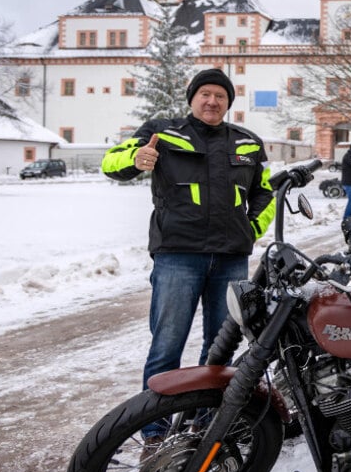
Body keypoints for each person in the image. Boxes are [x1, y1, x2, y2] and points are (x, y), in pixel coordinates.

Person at [101, 68, 275, 442]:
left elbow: (266, 192)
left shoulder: (247, 142)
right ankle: (154, 430)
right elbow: (110, 163)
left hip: (231, 258)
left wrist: (250, 229)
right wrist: (136, 161)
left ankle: (204, 421)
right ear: (193, 98)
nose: (212, 101)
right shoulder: (161, 133)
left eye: (220, 96)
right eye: (205, 94)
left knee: (220, 344)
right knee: (167, 344)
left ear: (229, 103)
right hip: (178, 256)